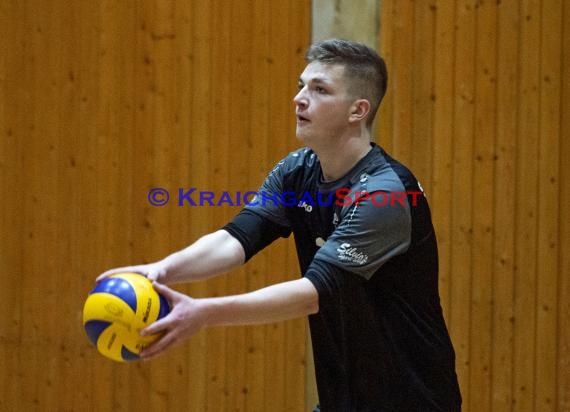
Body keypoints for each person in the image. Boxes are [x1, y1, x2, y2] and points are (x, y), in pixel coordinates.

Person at [99, 39, 462, 411]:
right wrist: (163, 270)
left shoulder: (385, 194)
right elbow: (236, 239)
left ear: (358, 110)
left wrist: (203, 312)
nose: (299, 98)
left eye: (319, 89)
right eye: (301, 85)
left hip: (413, 402)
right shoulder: (298, 170)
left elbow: (313, 293)